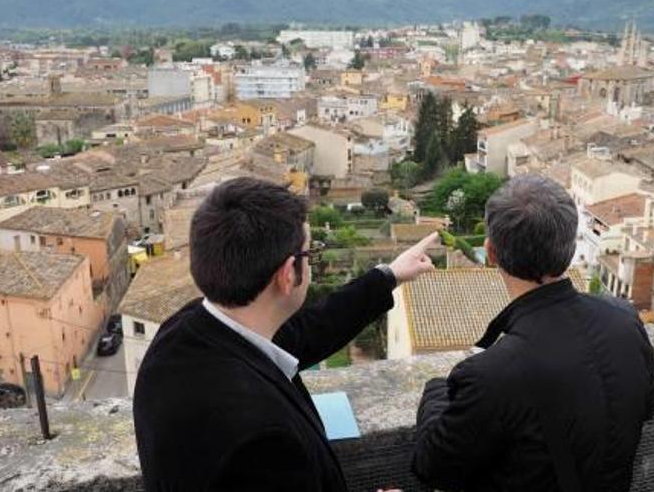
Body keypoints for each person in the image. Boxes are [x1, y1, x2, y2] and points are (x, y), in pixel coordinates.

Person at [133, 177, 437, 491]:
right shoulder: (264, 442)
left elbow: (310, 330)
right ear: (288, 274)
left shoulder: (184, 333)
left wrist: (389, 275)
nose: (313, 262)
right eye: (310, 254)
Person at [412, 175, 654, 492]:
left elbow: (431, 466)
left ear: (491, 252)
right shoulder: (625, 321)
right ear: (570, 251)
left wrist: (436, 391)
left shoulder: (490, 375)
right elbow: (646, 405)